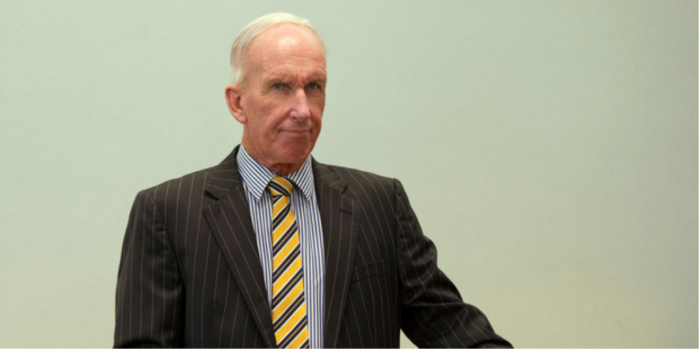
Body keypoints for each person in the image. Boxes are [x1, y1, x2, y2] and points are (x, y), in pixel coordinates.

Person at [114, 13, 511, 348]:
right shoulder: (167, 213)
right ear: (238, 103)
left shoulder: (379, 203)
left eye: (314, 87)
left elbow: (447, 324)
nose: (302, 110)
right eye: (280, 87)